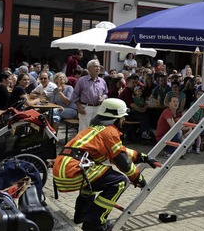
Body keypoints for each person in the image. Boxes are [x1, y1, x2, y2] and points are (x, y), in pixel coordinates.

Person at [52, 98, 156, 231]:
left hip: (63, 168)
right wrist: (138, 178)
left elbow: (119, 151)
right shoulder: (110, 132)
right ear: (117, 118)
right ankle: (94, 224)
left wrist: (142, 157)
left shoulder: (98, 129)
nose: (124, 121)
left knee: (92, 181)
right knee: (119, 182)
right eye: (123, 117)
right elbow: (122, 161)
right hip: (72, 170)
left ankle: (81, 217)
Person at [71, 59, 108, 131]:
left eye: (99, 67)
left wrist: (103, 97)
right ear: (89, 69)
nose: (98, 68)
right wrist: (79, 107)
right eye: (95, 66)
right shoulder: (82, 80)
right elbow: (75, 95)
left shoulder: (102, 81)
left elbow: (106, 93)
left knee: (96, 130)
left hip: (98, 108)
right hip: (86, 108)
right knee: (84, 130)